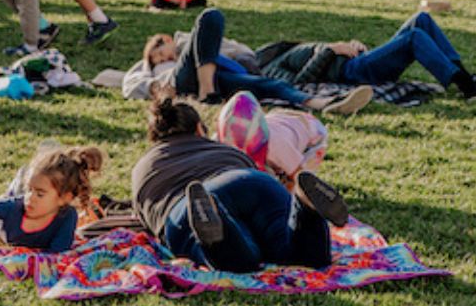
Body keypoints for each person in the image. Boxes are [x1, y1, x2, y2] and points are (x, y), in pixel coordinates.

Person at [130, 96, 351, 273]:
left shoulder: (143, 167)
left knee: (242, 261)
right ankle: (305, 206)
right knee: (299, 253)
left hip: (185, 202)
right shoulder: (224, 149)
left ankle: (219, 226)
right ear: (199, 129)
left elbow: (145, 220)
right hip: (251, 181)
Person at [129, 10, 372, 114]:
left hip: (217, 75)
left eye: (162, 50)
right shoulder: (150, 69)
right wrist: (154, 87)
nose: (163, 57)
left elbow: (244, 53)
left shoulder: (193, 40)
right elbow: (130, 83)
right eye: (157, 58)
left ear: (169, 39)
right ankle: (207, 91)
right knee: (208, 16)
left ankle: (324, 104)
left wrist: (193, 44)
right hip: (181, 83)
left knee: (267, 84)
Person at [259, 12, 476, 101]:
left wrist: (351, 46)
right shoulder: (269, 69)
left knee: (421, 19)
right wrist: (331, 50)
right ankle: (468, 86)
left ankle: (465, 76)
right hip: (352, 73)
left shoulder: (281, 50)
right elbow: (299, 83)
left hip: (356, 60)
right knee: (413, 38)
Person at [0, 146, 105, 253]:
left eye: (40, 194)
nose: (31, 198)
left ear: (64, 198)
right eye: (30, 190)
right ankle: (18, 183)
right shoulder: (14, 206)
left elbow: (57, 253)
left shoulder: (67, 216)